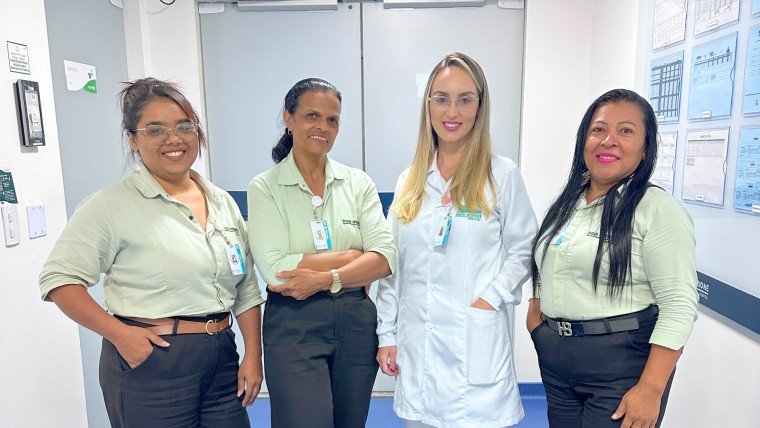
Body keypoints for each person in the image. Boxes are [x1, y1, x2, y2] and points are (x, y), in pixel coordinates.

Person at [39, 78, 264, 428]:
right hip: (152, 362)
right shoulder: (110, 205)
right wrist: (119, 334)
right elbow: (59, 280)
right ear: (133, 139)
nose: (174, 139)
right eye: (155, 130)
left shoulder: (221, 201)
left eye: (184, 126)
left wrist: (253, 354)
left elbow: (246, 287)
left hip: (221, 357)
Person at [375, 52, 538, 427]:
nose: (452, 111)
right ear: (428, 105)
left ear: (480, 106)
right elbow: (392, 264)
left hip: (473, 345)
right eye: (442, 98)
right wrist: (387, 333)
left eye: (465, 99)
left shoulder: (501, 174)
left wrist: (491, 298)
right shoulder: (409, 180)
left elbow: (524, 249)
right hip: (418, 350)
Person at [527, 89, 698, 428]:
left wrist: (651, 389)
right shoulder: (570, 201)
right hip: (557, 363)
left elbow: (679, 305)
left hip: (621, 367)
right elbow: (550, 264)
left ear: (645, 148)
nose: (608, 141)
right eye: (598, 129)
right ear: (584, 140)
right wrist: (538, 325)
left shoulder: (657, 209)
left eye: (626, 131)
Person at [247, 77, 396, 428]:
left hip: (356, 322)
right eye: (312, 116)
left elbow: (385, 256)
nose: (323, 127)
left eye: (332, 120)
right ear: (289, 119)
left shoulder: (357, 183)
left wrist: (326, 277)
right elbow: (276, 268)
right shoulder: (265, 187)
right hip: (294, 323)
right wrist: (352, 257)